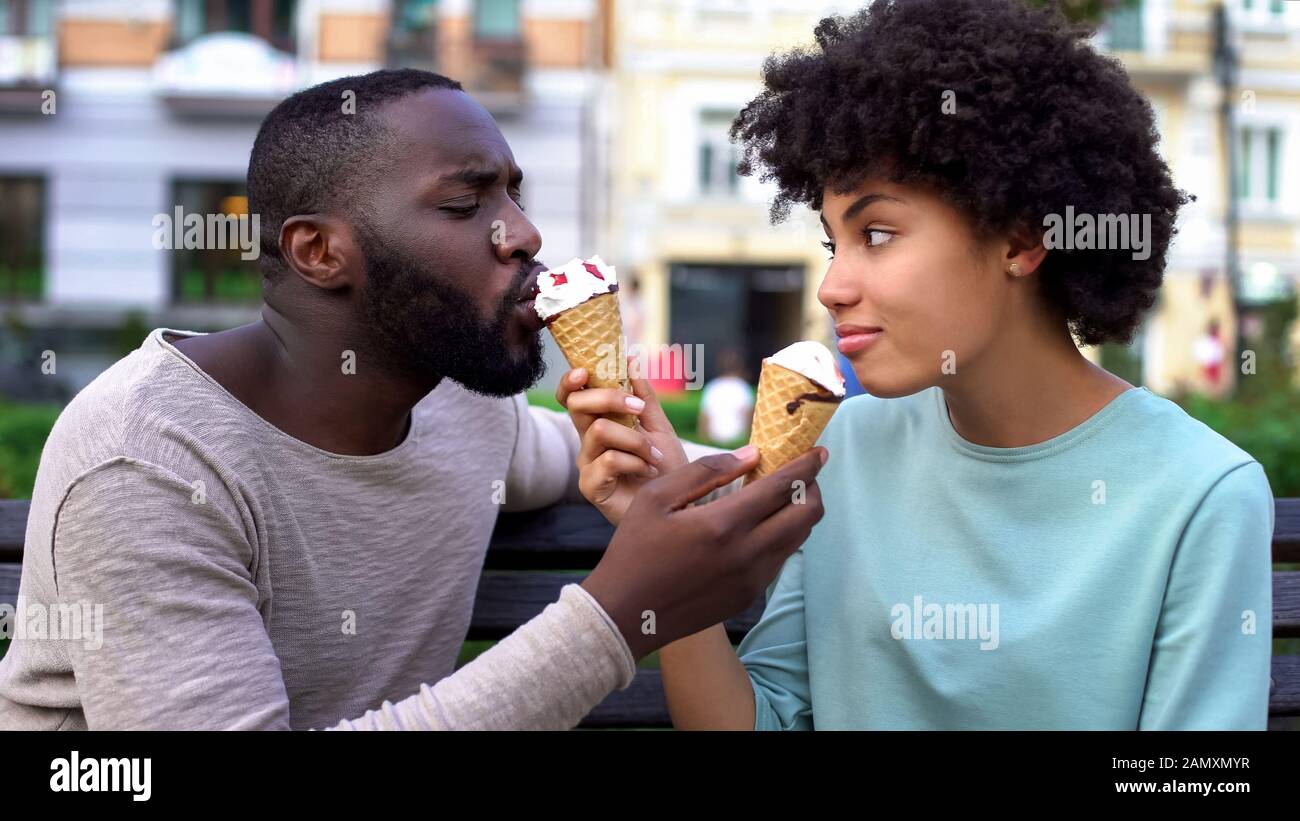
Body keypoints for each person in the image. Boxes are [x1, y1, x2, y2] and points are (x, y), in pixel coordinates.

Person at [0, 69, 826, 730]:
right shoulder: (148, 463)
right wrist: (617, 614)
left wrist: (651, 478)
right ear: (319, 251)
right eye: (467, 204)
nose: (525, 234)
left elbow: (570, 458)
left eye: (514, 195)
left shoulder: (459, 406)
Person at [564, 0, 1274, 729]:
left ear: (1019, 240)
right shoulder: (842, 452)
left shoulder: (1201, 495)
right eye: (833, 244)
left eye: (878, 233)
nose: (832, 287)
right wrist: (669, 531)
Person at [697, 348, 755, 447]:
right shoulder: (743, 388)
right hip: (737, 442)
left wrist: (703, 442)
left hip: (714, 441)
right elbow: (750, 418)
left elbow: (704, 418)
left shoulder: (712, 387)